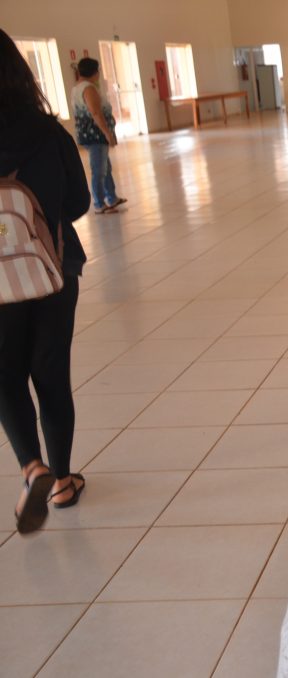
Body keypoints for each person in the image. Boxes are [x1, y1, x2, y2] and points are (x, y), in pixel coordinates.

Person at [0, 29, 91, 534]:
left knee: (4, 374)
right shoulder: (47, 131)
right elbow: (78, 203)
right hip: (54, 267)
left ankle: (31, 466)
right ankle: (61, 482)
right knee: (49, 372)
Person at [71, 57, 125, 214]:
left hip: (91, 134)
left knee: (105, 168)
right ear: (94, 72)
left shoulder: (78, 87)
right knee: (100, 170)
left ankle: (111, 197)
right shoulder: (88, 88)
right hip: (95, 135)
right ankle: (99, 203)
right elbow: (96, 112)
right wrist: (107, 133)